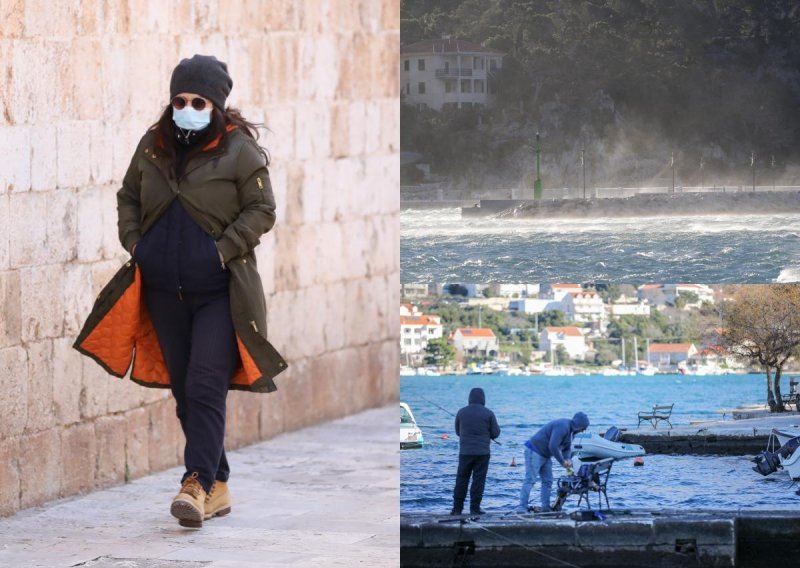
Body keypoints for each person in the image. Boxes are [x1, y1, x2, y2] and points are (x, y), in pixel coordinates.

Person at [73, 54, 288, 528]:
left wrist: (219, 251)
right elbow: (128, 195)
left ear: (216, 103)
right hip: (162, 292)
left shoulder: (239, 150)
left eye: (198, 100)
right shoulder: (153, 145)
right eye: (180, 99)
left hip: (218, 294)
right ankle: (219, 482)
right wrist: (136, 243)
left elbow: (262, 210)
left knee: (207, 383)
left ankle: (195, 483)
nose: (187, 106)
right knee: (184, 393)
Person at [516, 412, 590, 513]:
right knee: (530, 480)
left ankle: (545, 508)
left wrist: (568, 458)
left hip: (546, 455)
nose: (584, 430)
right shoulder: (563, 426)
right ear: (578, 425)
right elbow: (553, 446)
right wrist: (562, 461)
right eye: (583, 428)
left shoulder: (572, 433)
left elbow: (567, 448)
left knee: (548, 481)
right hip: (534, 450)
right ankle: (522, 508)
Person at [451, 388, 501, 516]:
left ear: (470, 398)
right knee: (478, 481)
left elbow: (458, 432)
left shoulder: (461, 412)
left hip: (465, 452)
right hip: (482, 453)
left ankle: (457, 509)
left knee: (461, 480)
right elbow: (496, 433)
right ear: (483, 398)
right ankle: (475, 508)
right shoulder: (489, 413)